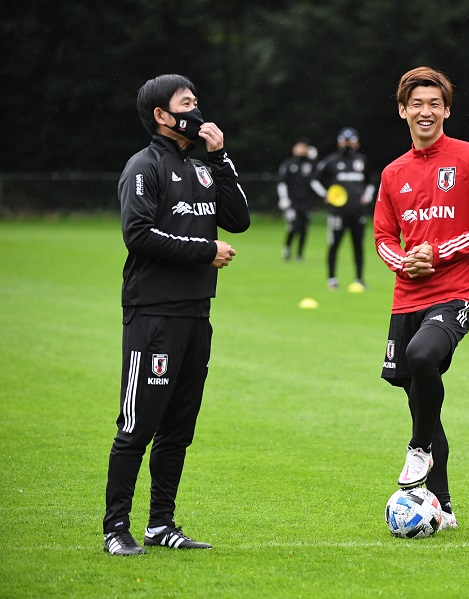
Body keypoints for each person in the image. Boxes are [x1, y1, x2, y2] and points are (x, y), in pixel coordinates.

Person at [103, 74, 251, 556]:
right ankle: (115, 529)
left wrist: (221, 158)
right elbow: (138, 235)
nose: (197, 110)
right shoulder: (142, 167)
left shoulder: (204, 167)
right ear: (162, 116)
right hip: (153, 315)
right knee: (137, 425)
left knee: (178, 427)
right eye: (186, 103)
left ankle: (160, 525)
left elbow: (240, 219)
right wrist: (202, 249)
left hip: (196, 316)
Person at [374, 66, 469, 530]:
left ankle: (417, 450)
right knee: (420, 402)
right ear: (403, 111)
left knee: (422, 356)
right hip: (406, 298)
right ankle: (443, 507)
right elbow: (382, 237)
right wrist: (403, 261)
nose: (425, 111)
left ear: (447, 110)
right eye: (417, 104)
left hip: (458, 292)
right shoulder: (394, 172)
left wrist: (440, 252)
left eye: (434, 104)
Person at [311, 127, 374, 291]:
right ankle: (332, 279)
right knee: (334, 245)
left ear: (357, 143)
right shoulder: (331, 161)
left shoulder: (362, 160)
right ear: (339, 142)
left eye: (350, 141)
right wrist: (325, 195)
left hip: (358, 212)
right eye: (344, 141)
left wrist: (367, 197)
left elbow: (371, 182)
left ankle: (359, 279)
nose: (347, 144)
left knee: (358, 246)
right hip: (337, 213)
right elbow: (315, 180)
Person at [277, 138, 318, 261]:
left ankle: (300, 253)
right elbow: (282, 182)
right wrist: (283, 198)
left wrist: (315, 158)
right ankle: (288, 248)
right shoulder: (288, 164)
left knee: (304, 228)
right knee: (293, 226)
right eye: (299, 147)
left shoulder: (310, 164)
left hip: (305, 202)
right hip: (292, 202)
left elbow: (318, 176)